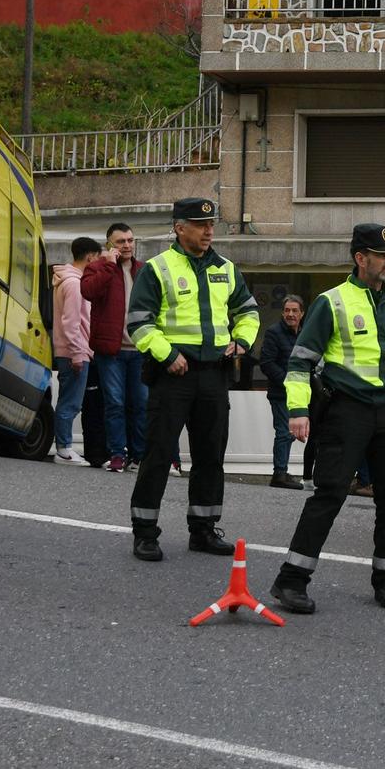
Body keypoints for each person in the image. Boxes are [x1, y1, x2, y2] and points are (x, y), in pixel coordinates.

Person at [268, 223, 385, 614]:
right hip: (345, 409)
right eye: (382, 255)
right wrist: (297, 412)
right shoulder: (332, 302)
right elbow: (300, 364)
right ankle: (291, 580)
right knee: (329, 494)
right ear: (360, 258)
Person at [124, 198, 260, 562]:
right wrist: (167, 355)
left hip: (214, 375)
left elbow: (248, 311)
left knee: (210, 456)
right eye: (200, 225)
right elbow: (138, 322)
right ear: (179, 227)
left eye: (211, 224)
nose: (209, 231)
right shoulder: (157, 268)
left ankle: (202, 529)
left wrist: (242, 341)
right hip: (173, 376)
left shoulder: (227, 269)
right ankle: (145, 532)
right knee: (158, 454)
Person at [81, 221, 149, 472]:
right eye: (121, 241)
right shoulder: (99, 267)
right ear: (109, 244)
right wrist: (109, 264)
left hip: (140, 349)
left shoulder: (144, 270)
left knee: (141, 404)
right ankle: (117, 453)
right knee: (114, 403)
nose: (128, 245)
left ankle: (139, 455)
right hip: (110, 351)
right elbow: (87, 291)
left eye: (131, 240)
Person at [50, 236, 101, 463]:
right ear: (90, 257)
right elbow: (71, 322)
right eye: (97, 258)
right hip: (74, 351)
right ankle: (64, 448)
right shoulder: (74, 284)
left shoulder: (69, 280)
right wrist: (79, 352)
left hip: (73, 350)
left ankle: (65, 446)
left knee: (69, 399)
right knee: (70, 401)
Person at [257, 295, 306, 490]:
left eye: (294, 311)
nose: (290, 314)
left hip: (301, 393)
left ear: (302, 313)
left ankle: (283, 471)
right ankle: (279, 474)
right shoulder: (273, 332)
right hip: (281, 393)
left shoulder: (305, 333)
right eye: (287, 310)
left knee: (291, 434)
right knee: (284, 433)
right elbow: (267, 363)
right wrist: (289, 383)